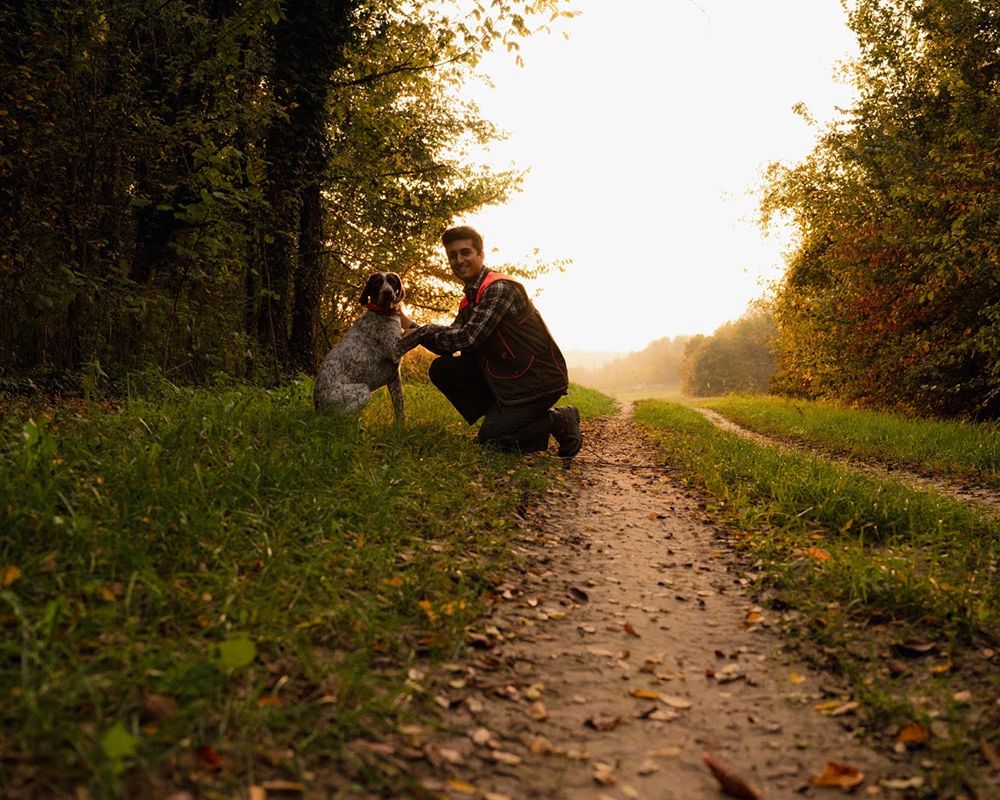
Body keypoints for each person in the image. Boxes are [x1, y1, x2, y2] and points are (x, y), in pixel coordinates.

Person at [412, 225, 582, 458]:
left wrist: (425, 330)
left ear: (481, 255)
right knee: (443, 368)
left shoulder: (498, 288)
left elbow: (468, 339)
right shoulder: (471, 298)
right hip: (508, 377)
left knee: (492, 441)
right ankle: (501, 416)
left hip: (537, 380)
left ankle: (558, 419)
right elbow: (448, 343)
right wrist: (412, 328)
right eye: (452, 255)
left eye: (465, 252)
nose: (459, 260)